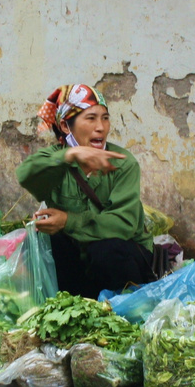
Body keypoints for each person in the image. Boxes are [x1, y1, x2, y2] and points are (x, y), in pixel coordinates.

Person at [18, 83, 155, 299]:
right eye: (91, 118)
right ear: (65, 126)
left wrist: (68, 220)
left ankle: (122, 306)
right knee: (50, 242)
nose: (100, 127)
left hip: (120, 261)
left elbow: (123, 224)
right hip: (81, 262)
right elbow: (26, 175)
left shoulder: (123, 163)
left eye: (105, 118)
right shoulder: (57, 160)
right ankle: (74, 304)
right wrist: (68, 156)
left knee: (105, 250)